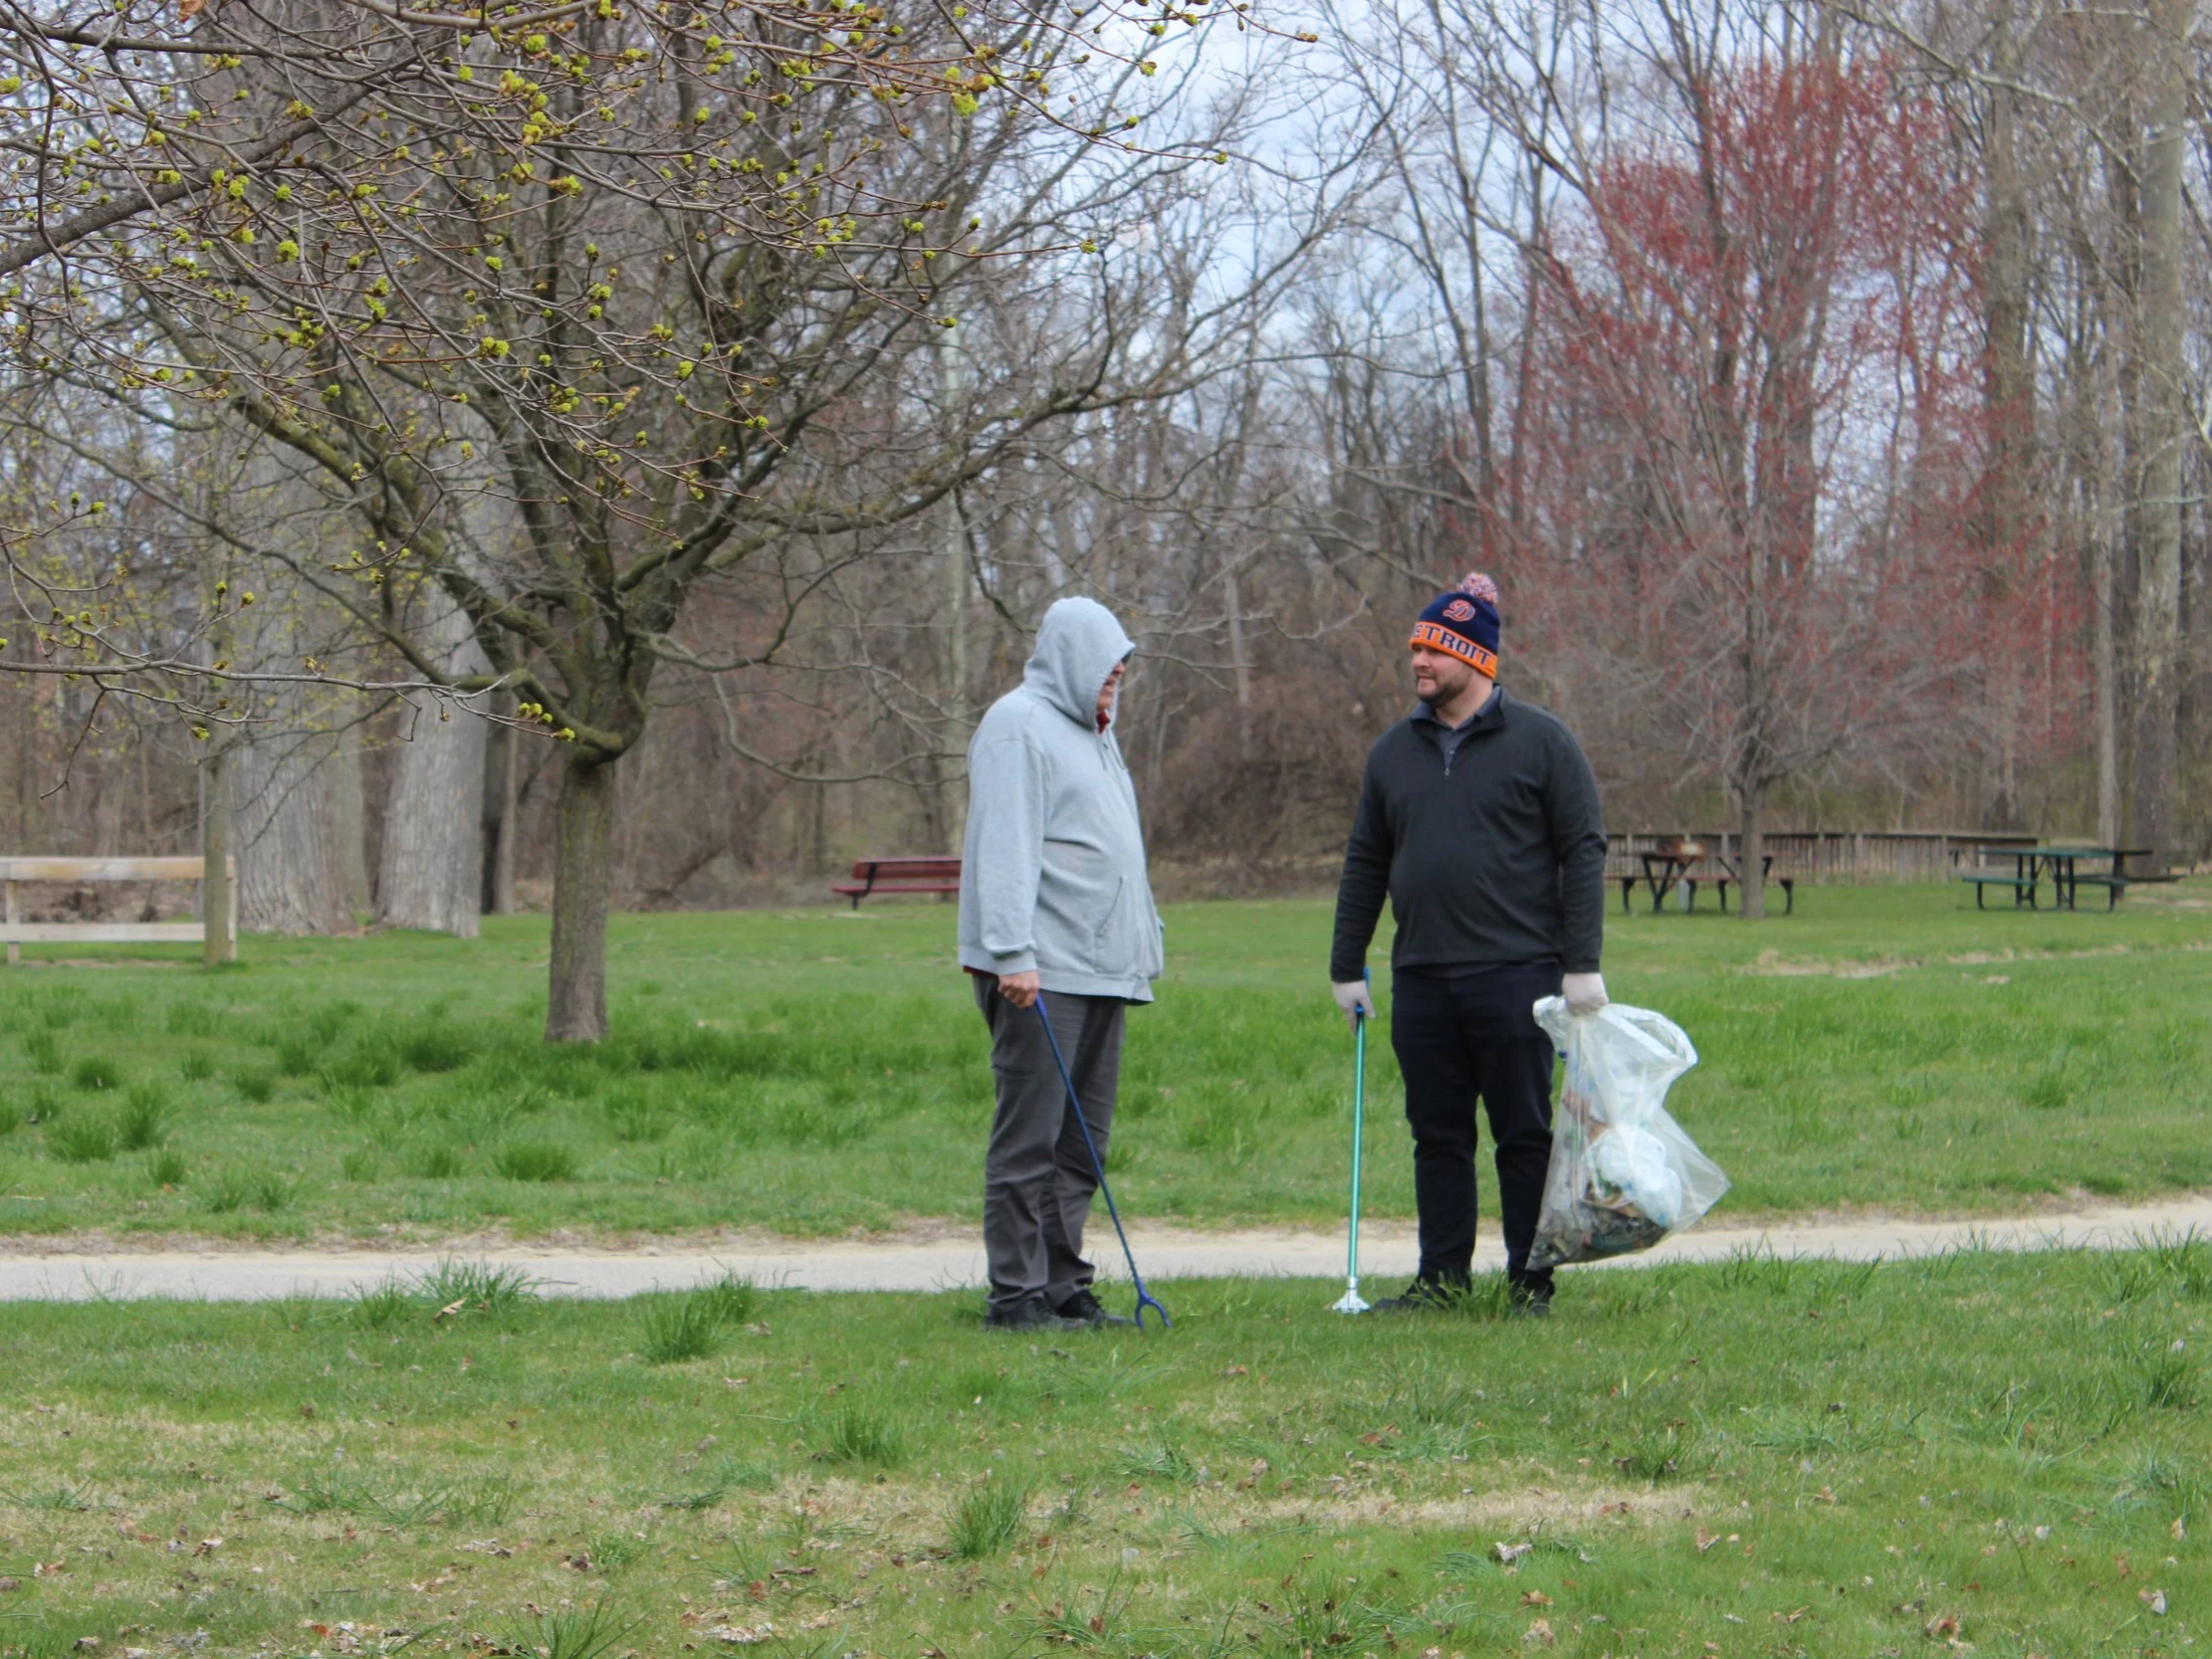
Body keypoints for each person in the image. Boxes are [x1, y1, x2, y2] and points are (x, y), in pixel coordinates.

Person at [1328, 573, 1608, 1317]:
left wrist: (1582, 962)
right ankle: (1442, 1279)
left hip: (1518, 975)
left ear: (1476, 660)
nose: (1419, 661)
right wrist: (1344, 962)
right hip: (1422, 975)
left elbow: (1583, 848)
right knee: (1438, 1135)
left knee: (1523, 1134)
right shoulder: (1393, 753)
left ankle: (1530, 1282)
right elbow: (1365, 859)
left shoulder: (1543, 743)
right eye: (1417, 647)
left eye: (1435, 650)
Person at [959, 596, 1165, 1332]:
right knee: (1030, 1140)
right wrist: (1013, 953)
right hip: (1041, 973)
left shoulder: (1096, 734)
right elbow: (1004, 848)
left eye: (1124, 661)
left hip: (1102, 968)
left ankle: (1059, 1284)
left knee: (1082, 1145)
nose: (1118, 671)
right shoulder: (1018, 725)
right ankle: (1014, 1297)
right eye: (1109, 657)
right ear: (1071, 653)